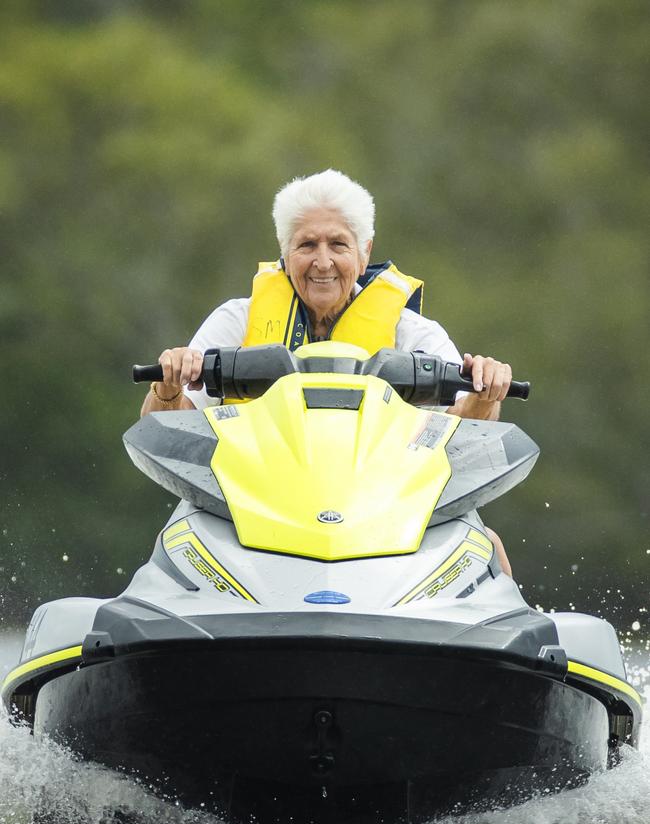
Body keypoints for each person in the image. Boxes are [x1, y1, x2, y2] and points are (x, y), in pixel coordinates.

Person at [141, 169, 512, 573]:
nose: (323, 262)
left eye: (338, 244)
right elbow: (161, 428)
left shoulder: (413, 333)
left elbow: (469, 429)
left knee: (484, 544)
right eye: (306, 245)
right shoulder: (236, 322)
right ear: (285, 253)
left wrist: (484, 392)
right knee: (176, 539)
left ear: (364, 252)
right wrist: (169, 386)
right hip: (248, 513)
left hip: (385, 517)